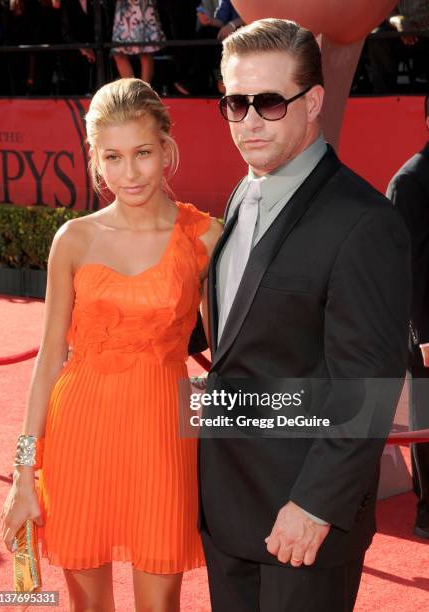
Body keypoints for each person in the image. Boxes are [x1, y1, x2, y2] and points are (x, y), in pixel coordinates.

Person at [198, 18, 411, 612]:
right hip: (227, 507)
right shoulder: (245, 192)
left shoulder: (364, 223)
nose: (247, 123)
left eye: (268, 102)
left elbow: (367, 385)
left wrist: (315, 505)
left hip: (303, 522)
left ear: (314, 101)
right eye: (234, 104)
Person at [1, 77, 222, 610]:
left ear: (166, 149)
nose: (130, 173)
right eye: (113, 157)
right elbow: (50, 359)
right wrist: (23, 472)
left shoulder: (205, 236)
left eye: (143, 153)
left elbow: (226, 359)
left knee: (159, 602)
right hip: (78, 430)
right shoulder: (73, 239)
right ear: (95, 160)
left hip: (164, 436)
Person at [386, 94, 429, 540]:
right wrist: (422, 334)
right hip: (424, 328)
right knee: (425, 419)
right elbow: (407, 268)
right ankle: (427, 513)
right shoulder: (411, 181)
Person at [112, 0, 165, 83]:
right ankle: (133, 91)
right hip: (124, 8)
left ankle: (143, 92)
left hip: (142, 6)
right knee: (118, 53)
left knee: (145, 52)